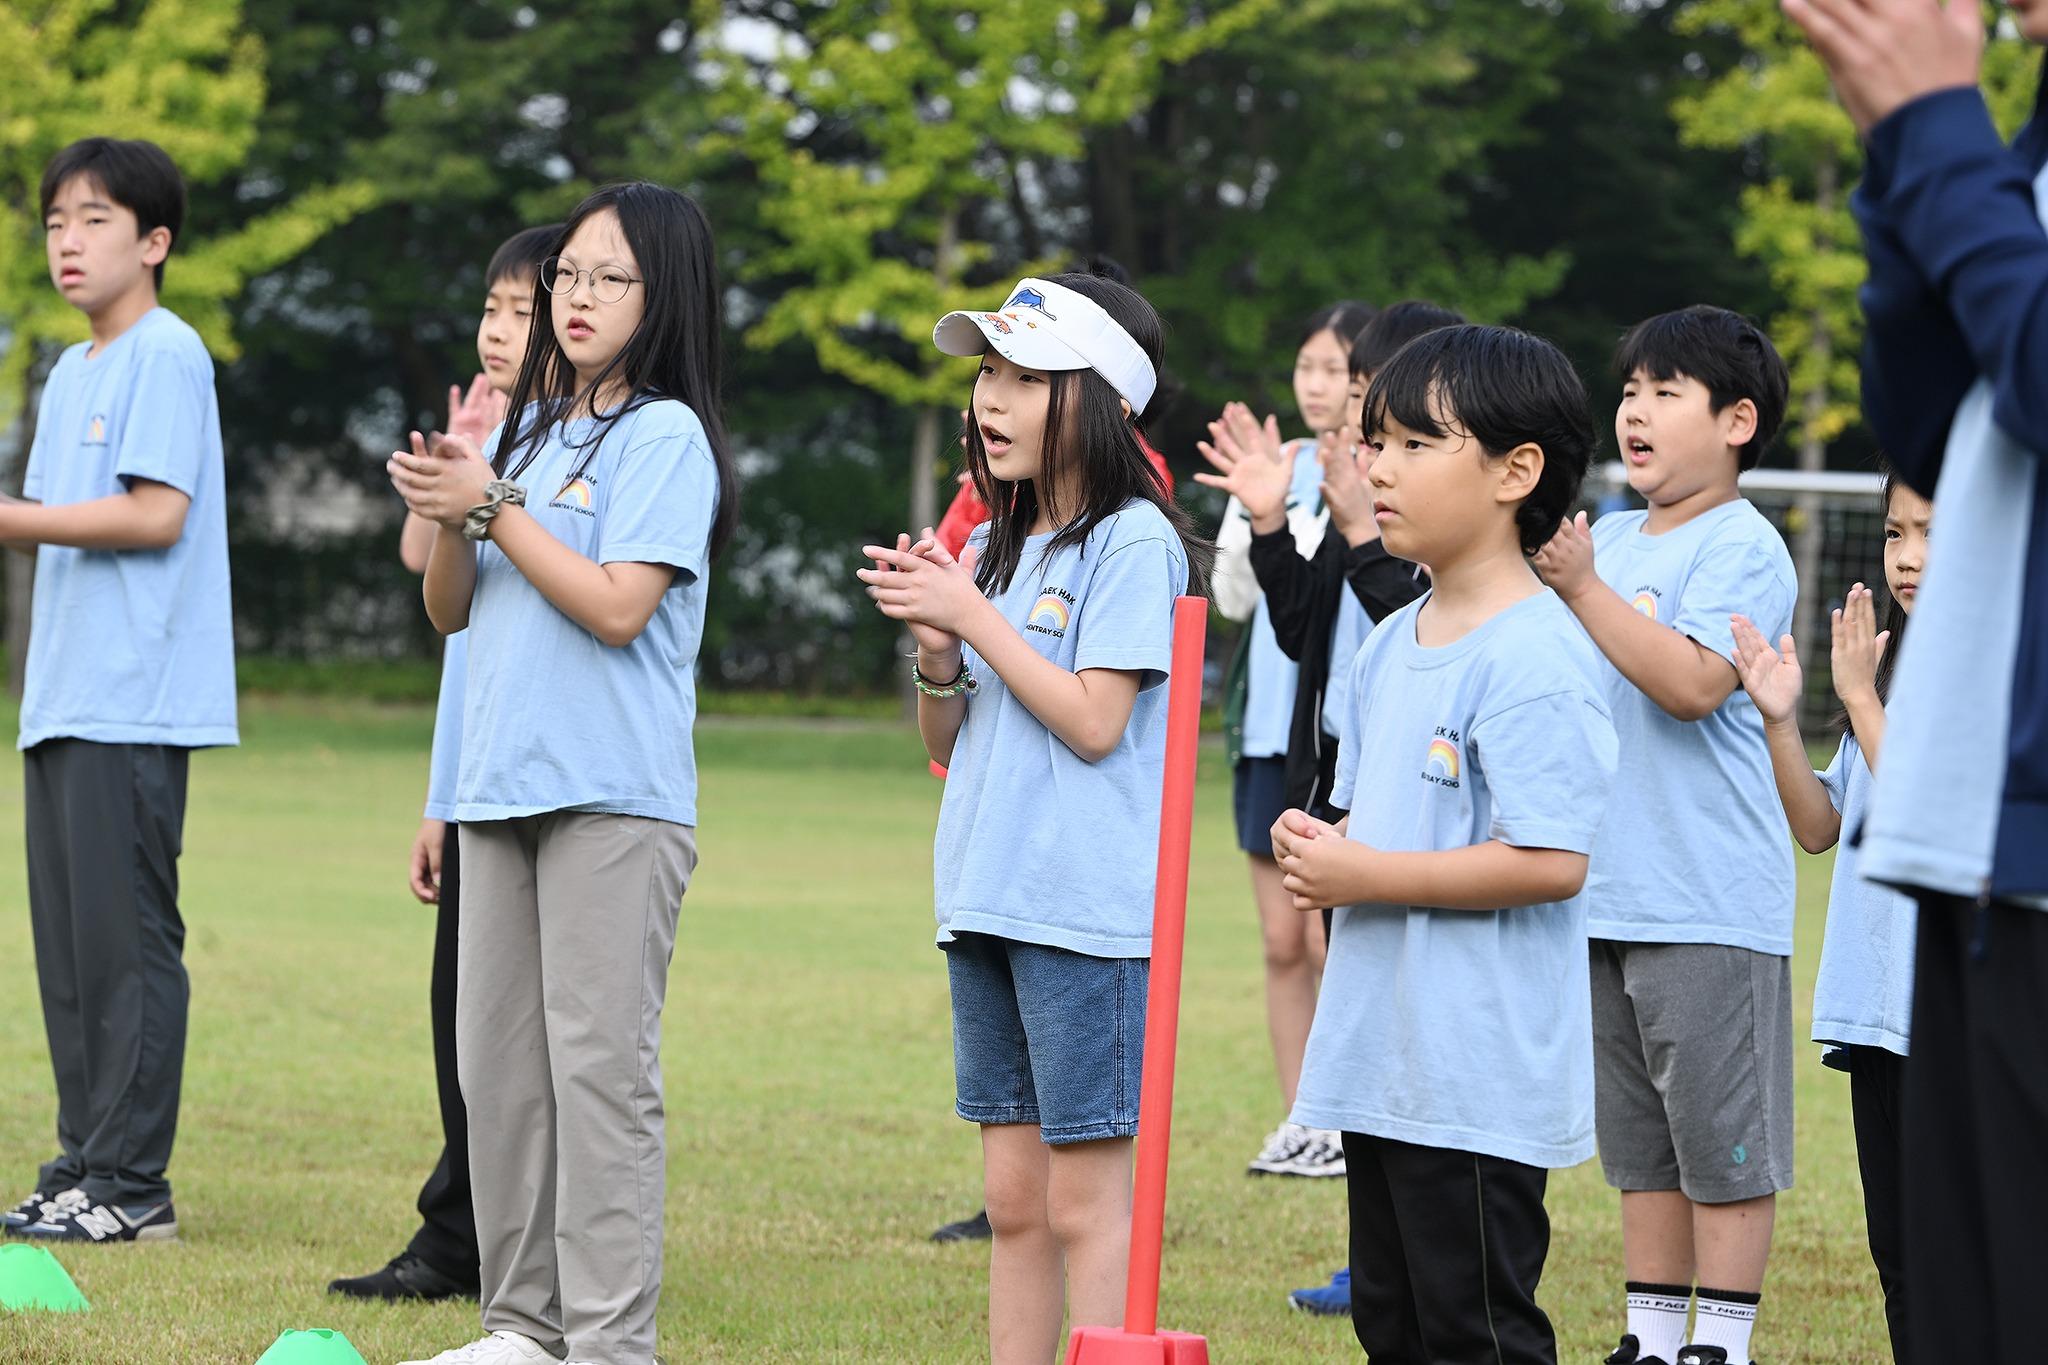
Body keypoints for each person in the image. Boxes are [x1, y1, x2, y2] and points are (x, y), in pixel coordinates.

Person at [386, 182, 739, 1365]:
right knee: (501, 1080)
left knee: (596, 1078)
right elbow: (452, 613)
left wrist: (489, 505)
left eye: (607, 279)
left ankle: (605, 1340)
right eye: (569, 277)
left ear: (664, 296)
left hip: (610, 800)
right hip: (497, 792)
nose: (576, 300)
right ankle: (521, 1327)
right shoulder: (530, 430)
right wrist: (450, 512)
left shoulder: (665, 437)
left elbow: (617, 605)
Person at [856, 272, 1209, 1364]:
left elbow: (1096, 721)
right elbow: (944, 744)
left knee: (1080, 1204)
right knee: (1011, 1203)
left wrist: (971, 617)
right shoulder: (990, 546)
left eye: (1022, 378)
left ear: (1098, 401)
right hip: (985, 898)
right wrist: (937, 653)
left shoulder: (1131, 544)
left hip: (1081, 914)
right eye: (985, 377)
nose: (989, 403)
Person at [1785, 1, 2048, 1358]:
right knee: (1959, 1313)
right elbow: (1934, 412)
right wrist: (1901, 150)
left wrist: (1941, 135)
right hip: (1981, 840)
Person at [1274, 323, 1615, 1363]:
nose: (1376, 467)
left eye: (1416, 445)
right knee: (1393, 1323)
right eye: (1375, 443)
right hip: (1382, 1053)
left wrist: (1365, 873)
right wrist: (1323, 845)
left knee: (1475, 1332)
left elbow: (1549, 861)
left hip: (1472, 1079)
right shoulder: (1387, 644)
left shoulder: (1535, 656)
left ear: (1518, 471)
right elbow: (1367, 821)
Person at [1532, 306, 1794, 1365]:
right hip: (1603, 895)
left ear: (1735, 421)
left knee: (1721, 1144)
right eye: (1628, 390)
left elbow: (1690, 685)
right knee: (1639, 1147)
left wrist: (1584, 587)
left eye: (1662, 393)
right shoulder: (1611, 534)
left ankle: (1718, 1346)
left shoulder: (1744, 545)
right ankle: (1647, 1337)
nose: (1632, 412)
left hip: (1705, 899)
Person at [1197, 300, 1459, 1318]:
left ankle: (1423, 1268)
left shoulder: (1431, 518)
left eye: (1366, 398)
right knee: (1357, 1029)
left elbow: (1416, 615)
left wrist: (1355, 525)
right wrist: (1271, 519)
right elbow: (1306, 624)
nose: (1349, 421)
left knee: (1405, 1033)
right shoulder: (1358, 501)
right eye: (1350, 399)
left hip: (1412, 798)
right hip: (1340, 782)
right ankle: (1374, 1268)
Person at [0, 138, 236, 1246]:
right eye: (54, 222)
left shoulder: (167, 353)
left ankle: (133, 1188)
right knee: (72, 955)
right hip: (62, 700)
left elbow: (154, 514)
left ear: (154, 242)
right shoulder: (73, 370)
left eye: (93, 220)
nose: (67, 241)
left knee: (129, 947)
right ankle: (83, 1166)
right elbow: (59, 526)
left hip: (135, 702)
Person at [327, 223, 558, 1303]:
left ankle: (507, 1247)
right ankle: (464, 1237)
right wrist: (438, 800)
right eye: (492, 310)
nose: (498, 331)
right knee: (462, 1023)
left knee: (536, 1043)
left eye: (523, 310)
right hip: (475, 778)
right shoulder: (502, 442)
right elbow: (439, 597)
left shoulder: (583, 452)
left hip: (550, 783)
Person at [1731, 469, 1931, 1363]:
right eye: (1895, 534)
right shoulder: (1892, 667)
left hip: (1952, 1018)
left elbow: (1933, 810)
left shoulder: (1992, 670)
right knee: (1899, 1251)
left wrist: (1859, 696)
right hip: (1875, 1011)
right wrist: (1781, 720)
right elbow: (1821, 826)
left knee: (1957, 1250)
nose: (1909, 557)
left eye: (1933, 532)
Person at [1208, 300, 1376, 1181]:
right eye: (1307, 368)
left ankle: (1347, 1121)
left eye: (1337, 370)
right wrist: (1255, 510)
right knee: (1282, 940)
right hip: (1269, 734)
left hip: (1340, 745)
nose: (1320, 386)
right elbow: (1243, 604)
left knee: (1328, 939)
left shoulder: (1385, 474)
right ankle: (1302, 1118)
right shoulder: (1283, 464)